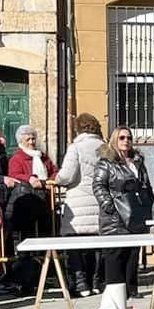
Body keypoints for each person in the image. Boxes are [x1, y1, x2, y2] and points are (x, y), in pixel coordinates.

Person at [93, 125, 154, 303]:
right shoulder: (106, 162)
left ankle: (129, 291)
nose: (126, 141)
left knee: (132, 256)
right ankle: (115, 297)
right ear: (114, 140)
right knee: (115, 257)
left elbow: (145, 184)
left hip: (136, 214)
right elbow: (98, 186)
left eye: (128, 137)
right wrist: (109, 206)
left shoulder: (137, 161)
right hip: (114, 218)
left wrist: (148, 203)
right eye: (121, 138)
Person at [55, 113, 106, 297]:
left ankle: (81, 284)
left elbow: (67, 175)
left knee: (75, 244)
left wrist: (57, 179)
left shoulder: (76, 147)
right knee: (96, 246)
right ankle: (95, 283)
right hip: (99, 202)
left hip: (79, 203)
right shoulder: (104, 147)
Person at [3, 124, 57, 289]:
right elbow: (14, 174)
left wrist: (51, 181)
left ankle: (44, 274)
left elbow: (54, 171)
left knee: (44, 236)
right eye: (28, 139)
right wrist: (30, 178)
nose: (32, 142)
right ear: (21, 141)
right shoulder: (17, 158)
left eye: (33, 138)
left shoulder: (43, 157)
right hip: (26, 205)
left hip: (45, 203)